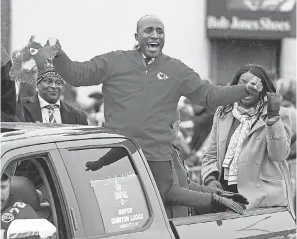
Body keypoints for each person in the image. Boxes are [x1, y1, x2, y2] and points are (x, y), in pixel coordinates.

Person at [32, 15, 263, 217]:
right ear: (137, 36)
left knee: (164, 194)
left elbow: (209, 95)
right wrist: (59, 55)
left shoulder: (176, 69)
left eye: (160, 31)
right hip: (121, 153)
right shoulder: (113, 61)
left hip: (156, 155)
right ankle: (216, 198)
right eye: (149, 30)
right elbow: (77, 74)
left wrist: (244, 90)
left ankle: (216, 199)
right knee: (120, 207)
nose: (155, 35)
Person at [201, 65, 294, 214]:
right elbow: (211, 154)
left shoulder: (279, 113)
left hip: (260, 201)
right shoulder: (224, 112)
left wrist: (273, 117)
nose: (249, 87)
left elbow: (279, 155)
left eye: (255, 83)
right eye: (242, 82)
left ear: (263, 87)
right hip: (225, 196)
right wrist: (210, 179)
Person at [19, 59, 88, 125]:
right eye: (48, 81)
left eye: (59, 83)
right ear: (37, 85)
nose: (54, 86)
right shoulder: (20, 109)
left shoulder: (78, 117)